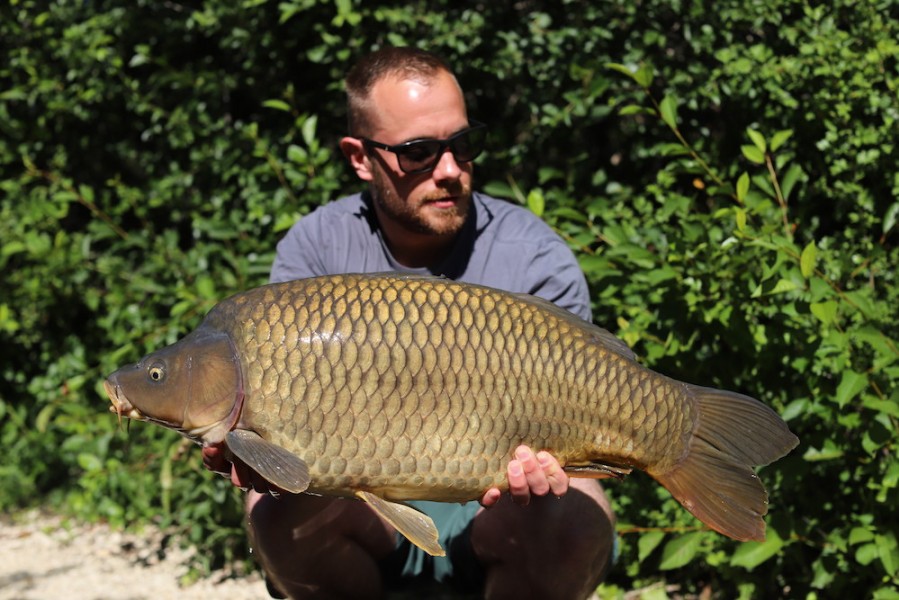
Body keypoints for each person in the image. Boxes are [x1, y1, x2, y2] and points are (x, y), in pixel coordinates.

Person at [203, 46, 616, 599]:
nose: (449, 171)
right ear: (359, 156)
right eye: (418, 152)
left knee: (576, 518)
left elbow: (583, 422)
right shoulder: (316, 249)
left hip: (500, 508)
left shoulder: (534, 255)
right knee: (276, 514)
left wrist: (559, 465)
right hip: (359, 509)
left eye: (463, 145)